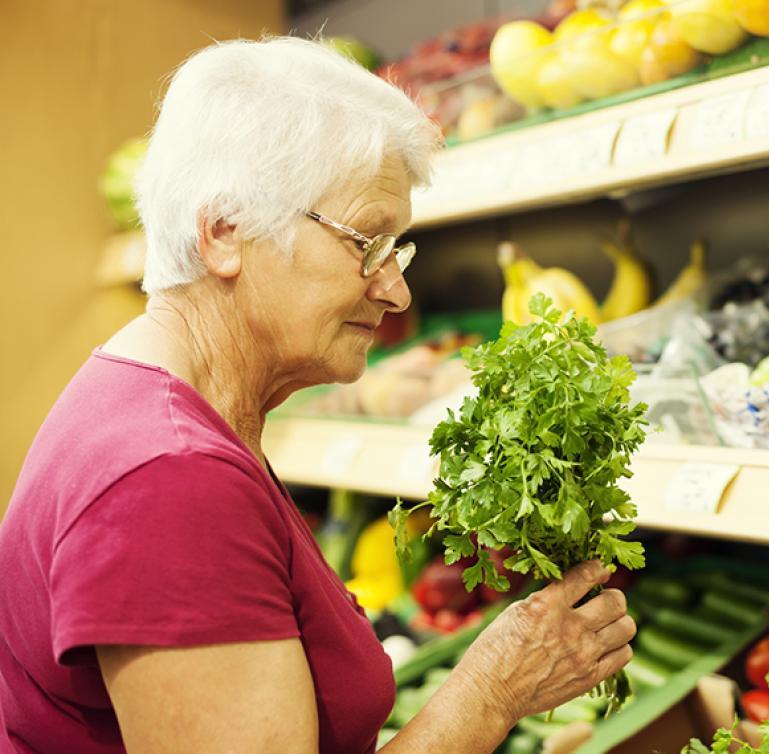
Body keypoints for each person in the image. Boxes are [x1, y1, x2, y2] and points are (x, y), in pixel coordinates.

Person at [0, 37, 635, 754]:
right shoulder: (167, 480)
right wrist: (492, 693)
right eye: (366, 241)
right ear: (225, 232)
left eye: (398, 250)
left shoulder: (165, 413)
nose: (396, 290)